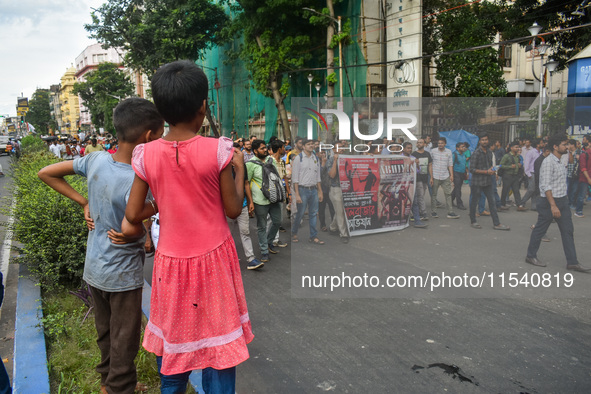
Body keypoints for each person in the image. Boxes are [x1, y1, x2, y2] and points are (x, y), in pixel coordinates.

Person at [123, 60, 253, 391]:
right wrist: (239, 172)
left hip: (170, 263)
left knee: (174, 341)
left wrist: (161, 204)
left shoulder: (145, 154)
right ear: (202, 106)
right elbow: (233, 209)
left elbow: (134, 212)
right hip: (214, 261)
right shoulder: (218, 150)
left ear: (162, 111)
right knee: (218, 343)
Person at [38, 97, 164, 393]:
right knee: (125, 336)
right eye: (160, 135)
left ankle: (110, 380)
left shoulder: (96, 160)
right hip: (122, 275)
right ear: (148, 137)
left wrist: (83, 201)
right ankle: (118, 388)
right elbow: (129, 226)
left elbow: (47, 172)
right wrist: (153, 211)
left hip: (95, 267)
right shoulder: (138, 178)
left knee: (105, 332)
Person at [526, 134, 590, 272]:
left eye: (567, 144)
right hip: (549, 201)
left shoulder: (561, 160)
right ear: (555, 147)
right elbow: (546, 185)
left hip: (562, 200)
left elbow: (571, 163)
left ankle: (572, 262)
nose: (566, 147)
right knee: (540, 229)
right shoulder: (548, 162)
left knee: (568, 231)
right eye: (564, 144)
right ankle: (531, 255)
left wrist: (561, 202)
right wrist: (553, 205)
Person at [468, 132, 510, 231]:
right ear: (479, 141)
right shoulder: (476, 153)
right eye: (483, 140)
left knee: (492, 202)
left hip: (488, 181)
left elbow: (490, 166)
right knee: (474, 202)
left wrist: (493, 171)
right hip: (477, 182)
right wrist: (486, 171)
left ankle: (497, 223)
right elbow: (472, 169)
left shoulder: (490, 152)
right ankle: (473, 221)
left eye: (486, 140)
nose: (484, 141)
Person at [291, 139, 324, 245]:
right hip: (302, 189)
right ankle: (294, 233)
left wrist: (320, 192)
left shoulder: (315, 158)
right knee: (300, 213)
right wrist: (297, 194)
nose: (311, 146)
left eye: (312, 144)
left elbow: (318, 176)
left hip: (313, 189)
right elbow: (295, 178)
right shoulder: (298, 158)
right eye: (308, 144)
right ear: (303, 146)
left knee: (313, 214)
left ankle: (313, 236)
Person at [326, 141, 351, 242]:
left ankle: (333, 227)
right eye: (339, 147)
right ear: (333, 149)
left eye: (342, 147)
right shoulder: (331, 160)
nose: (341, 149)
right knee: (340, 212)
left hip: (346, 188)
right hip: (336, 188)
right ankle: (343, 234)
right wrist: (336, 161)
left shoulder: (346, 159)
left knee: (339, 210)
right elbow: (331, 175)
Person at [429, 137, 459, 219]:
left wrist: (451, 175)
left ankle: (450, 212)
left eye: (442, 143)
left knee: (448, 194)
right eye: (439, 143)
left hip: (445, 176)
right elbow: (430, 164)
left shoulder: (449, 152)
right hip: (435, 176)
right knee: (434, 194)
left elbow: (450, 164)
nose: (440, 144)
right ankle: (433, 212)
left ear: (445, 144)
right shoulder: (433, 151)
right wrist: (431, 177)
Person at [499, 141, 527, 211]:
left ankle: (519, 205)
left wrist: (518, 165)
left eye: (518, 147)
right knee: (505, 190)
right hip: (507, 175)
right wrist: (510, 166)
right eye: (516, 147)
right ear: (511, 148)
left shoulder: (517, 156)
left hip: (515, 175)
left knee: (516, 191)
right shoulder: (506, 156)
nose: (517, 148)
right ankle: (502, 204)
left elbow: (516, 165)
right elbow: (501, 165)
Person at [412, 138, 432, 221]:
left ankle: (419, 211)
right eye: (418, 143)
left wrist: (431, 177)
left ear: (424, 144)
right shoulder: (414, 154)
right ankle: (423, 213)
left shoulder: (427, 154)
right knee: (420, 196)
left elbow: (430, 165)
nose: (419, 144)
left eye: (421, 142)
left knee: (422, 195)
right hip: (418, 178)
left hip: (425, 177)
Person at [521, 138, 544, 211]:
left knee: (536, 190)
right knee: (531, 189)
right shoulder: (531, 152)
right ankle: (522, 202)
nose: (542, 144)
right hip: (532, 172)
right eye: (541, 143)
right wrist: (528, 173)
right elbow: (527, 163)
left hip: (538, 173)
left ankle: (534, 205)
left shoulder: (540, 152)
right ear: (537, 144)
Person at [574, 134, 591, 218]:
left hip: (588, 177)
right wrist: (588, 178)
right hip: (584, 178)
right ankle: (578, 211)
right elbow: (583, 168)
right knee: (581, 195)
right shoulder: (584, 154)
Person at [451, 142, 468, 210]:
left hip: (462, 173)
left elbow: (464, 164)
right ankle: (459, 204)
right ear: (457, 148)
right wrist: (451, 175)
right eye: (462, 147)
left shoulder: (463, 154)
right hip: (456, 173)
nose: (463, 148)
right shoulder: (454, 154)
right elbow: (451, 165)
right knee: (458, 189)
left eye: (464, 147)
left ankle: (450, 200)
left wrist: (466, 172)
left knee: (457, 188)